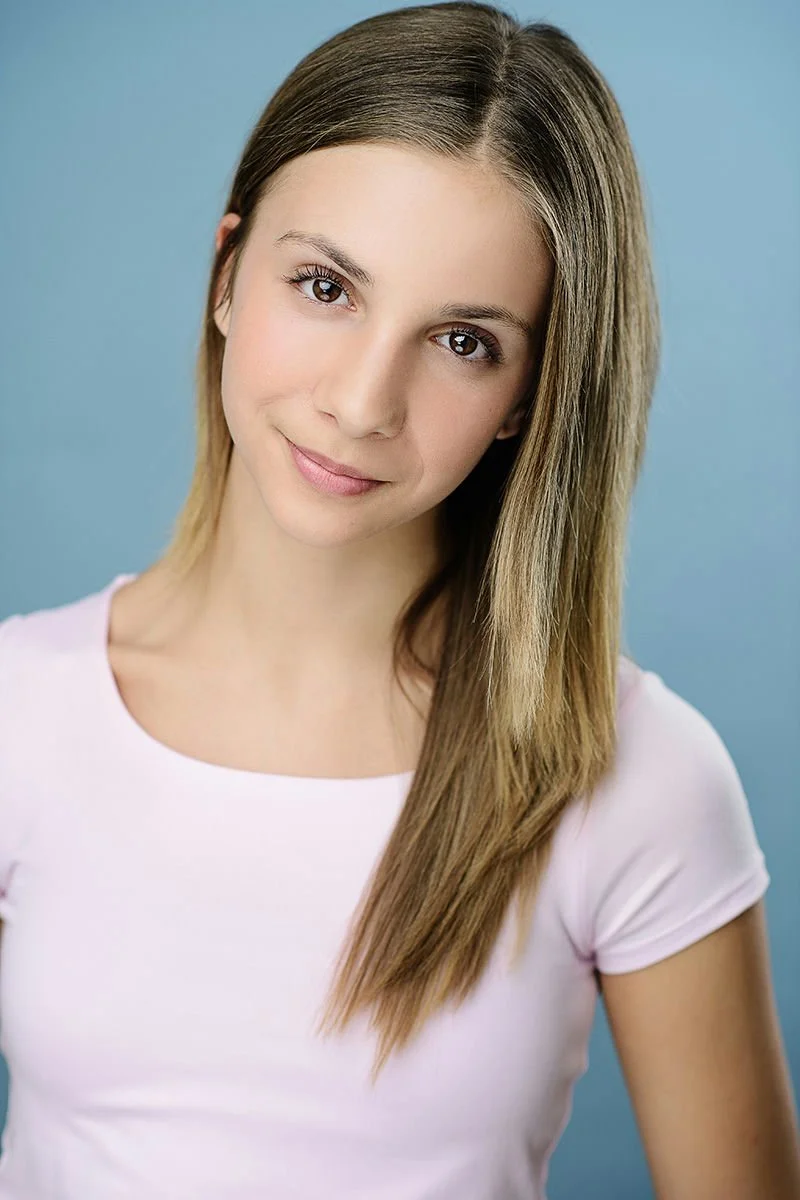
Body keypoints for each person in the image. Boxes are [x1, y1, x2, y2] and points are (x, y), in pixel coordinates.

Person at [1, 2, 799, 1197]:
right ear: (227, 276)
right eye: (325, 286)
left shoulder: (632, 777)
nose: (363, 401)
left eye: (463, 342)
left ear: (530, 392)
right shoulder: (19, 712)